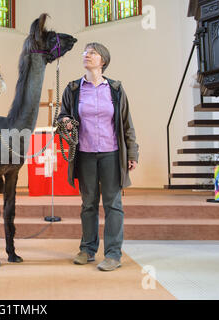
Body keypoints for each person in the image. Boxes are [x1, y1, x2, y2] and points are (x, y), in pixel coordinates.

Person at [58, 42, 139, 271]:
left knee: (113, 204)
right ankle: (87, 249)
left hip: (111, 154)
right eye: (85, 52)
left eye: (92, 52)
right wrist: (64, 121)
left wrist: (132, 152)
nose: (86, 55)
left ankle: (113, 254)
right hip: (84, 154)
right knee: (88, 204)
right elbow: (63, 114)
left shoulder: (115, 89)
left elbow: (127, 123)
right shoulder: (73, 88)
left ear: (102, 60)